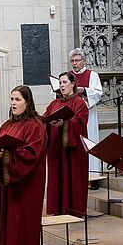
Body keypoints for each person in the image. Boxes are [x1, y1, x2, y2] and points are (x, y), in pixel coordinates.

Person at [0, 85, 47, 245]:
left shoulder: (35, 126)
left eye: (17, 100)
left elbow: (31, 154)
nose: (13, 103)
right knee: (7, 222)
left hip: (26, 186)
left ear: (28, 102)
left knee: (21, 223)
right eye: (12, 99)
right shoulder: (7, 125)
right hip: (8, 184)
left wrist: (6, 155)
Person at [45, 72, 89, 216]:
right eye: (60, 83)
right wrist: (46, 121)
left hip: (73, 151)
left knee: (73, 177)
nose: (62, 85)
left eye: (64, 82)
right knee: (57, 177)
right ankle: (58, 209)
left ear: (73, 84)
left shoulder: (79, 102)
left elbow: (81, 123)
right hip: (55, 148)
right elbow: (45, 118)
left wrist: (65, 123)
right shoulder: (54, 103)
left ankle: (74, 210)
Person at [69, 48, 104, 179]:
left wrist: (83, 90)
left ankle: (93, 176)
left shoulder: (92, 75)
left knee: (90, 141)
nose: (74, 63)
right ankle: (75, 175)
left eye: (77, 60)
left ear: (83, 61)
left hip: (88, 114)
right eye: (72, 61)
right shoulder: (67, 76)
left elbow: (98, 93)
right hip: (71, 116)